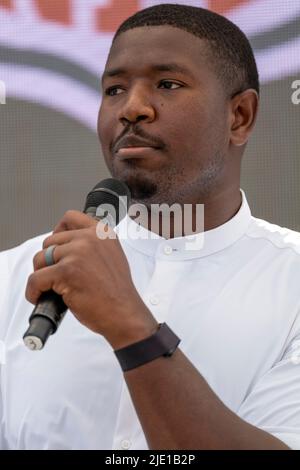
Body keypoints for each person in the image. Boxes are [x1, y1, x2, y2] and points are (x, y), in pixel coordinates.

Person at [0, 3, 299, 450]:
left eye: (167, 84)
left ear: (239, 116)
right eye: (115, 89)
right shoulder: (13, 278)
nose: (132, 108)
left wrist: (131, 325)